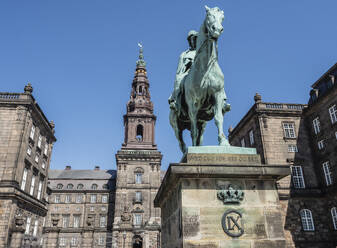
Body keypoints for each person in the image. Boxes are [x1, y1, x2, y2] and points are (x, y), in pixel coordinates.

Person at [169, 30, 198, 112]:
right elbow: (179, 70)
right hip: (187, 73)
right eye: (191, 40)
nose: (193, 41)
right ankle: (175, 101)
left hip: (201, 73)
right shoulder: (184, 54)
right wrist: (188, 64)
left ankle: (222, 100)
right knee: (178, 80)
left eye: (195, 39)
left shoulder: (201, 52)